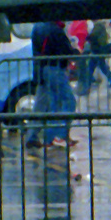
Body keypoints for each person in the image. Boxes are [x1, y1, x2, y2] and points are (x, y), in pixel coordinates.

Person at [27, 19, 78, 153]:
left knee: (47, 103)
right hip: (55, 69)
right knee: (68, 101)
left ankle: (40, 138)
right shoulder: (56, 30)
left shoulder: (37, 26)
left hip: (41, 69)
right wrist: (76, 52)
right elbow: (64, 50)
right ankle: (59, 135)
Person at [78, 18, 111, 92]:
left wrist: (87, 37)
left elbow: (94, 35)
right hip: (98, 51)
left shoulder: (98, 25)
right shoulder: (99, 25)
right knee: (97, 68)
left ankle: (86, 87)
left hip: (98, 51)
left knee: (97, 68)